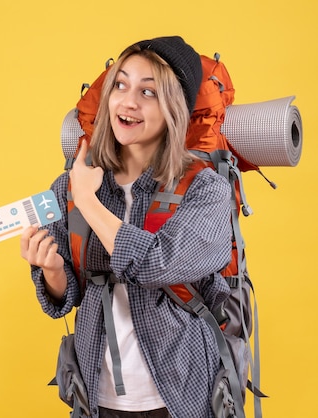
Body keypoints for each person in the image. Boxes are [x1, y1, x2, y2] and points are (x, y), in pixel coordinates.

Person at [20, 36, 233, 418]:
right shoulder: (69, 185)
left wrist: (86, 199)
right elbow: (64, 297)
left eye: (148, 92)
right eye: (120, 84)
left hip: (181, 390)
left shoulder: (206, 190)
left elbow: (155, 264)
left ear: (174, 109)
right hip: (95, 393)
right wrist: (52, 270)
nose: (127, 101)